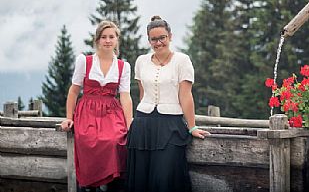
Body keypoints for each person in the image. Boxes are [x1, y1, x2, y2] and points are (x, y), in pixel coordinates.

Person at [127, 16, 209, 192]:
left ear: (170, 36)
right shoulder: (141, 61)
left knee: (165, 179)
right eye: (153, 39)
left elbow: (186, 96)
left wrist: (192, 127)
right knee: (141, 180)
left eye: (162, 37)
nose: (158, 43)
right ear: (149, 40)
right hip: (142, 126)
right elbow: (142, 94)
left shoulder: (182, 60)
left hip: (170, 125)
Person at [61, 20, 133, 192]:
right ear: (97, 40)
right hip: (87, 111)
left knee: (116, 140)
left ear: (117, 40)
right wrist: (69, 118)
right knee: (88, 140)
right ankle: (91, 185)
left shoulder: (123, 66)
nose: (108, 40)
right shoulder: (84, 61)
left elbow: (125, 97)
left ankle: (111, 183)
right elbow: (73, 91)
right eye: (104, 37)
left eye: (111, 37)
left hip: (111, 112)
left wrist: (129, 123)